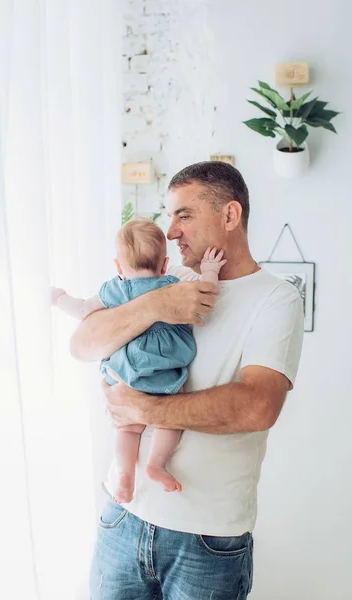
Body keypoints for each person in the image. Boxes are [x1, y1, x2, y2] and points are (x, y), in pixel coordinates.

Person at [70, 161, 304, 600]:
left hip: (208, 541)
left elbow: (257, 407)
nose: (172, 232)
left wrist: (144, 409)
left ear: (230, 216)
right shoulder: (165, 279)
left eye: (184, 215)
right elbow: (81, 343)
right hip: (123, 516)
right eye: (169, 215)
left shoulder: (277, 298)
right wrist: (156, 306)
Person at [52, 218, 225, 504]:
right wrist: (209, 270)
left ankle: (125, 476)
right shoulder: (172, 284)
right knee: (171, 418)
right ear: (165, 264)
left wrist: (59, 299)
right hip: (164, 372)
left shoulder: (115, 289)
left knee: (126, 427)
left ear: (119, 267)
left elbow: (83, 309)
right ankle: (156, 464)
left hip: (126, 372)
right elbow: (206, 298)